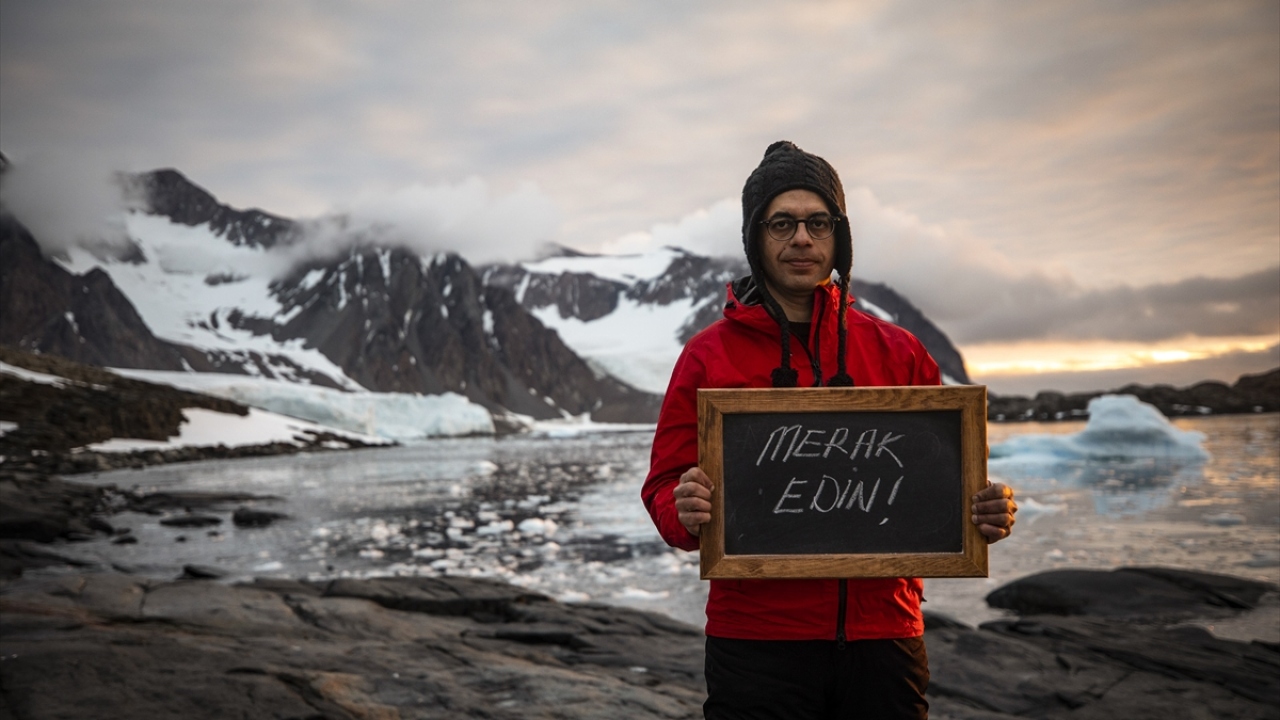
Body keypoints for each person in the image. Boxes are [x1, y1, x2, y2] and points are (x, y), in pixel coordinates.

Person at [641, 141, 1018, 719]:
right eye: (782, 223)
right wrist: (682, 507)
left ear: (839, 234)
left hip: (884, 636)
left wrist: (985, 513)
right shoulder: (707, 357)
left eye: (819, 222)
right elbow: (664, 485)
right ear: (754, 237)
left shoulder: (899, 351)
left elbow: (946, 484)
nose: (802, 238)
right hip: (756, 642)